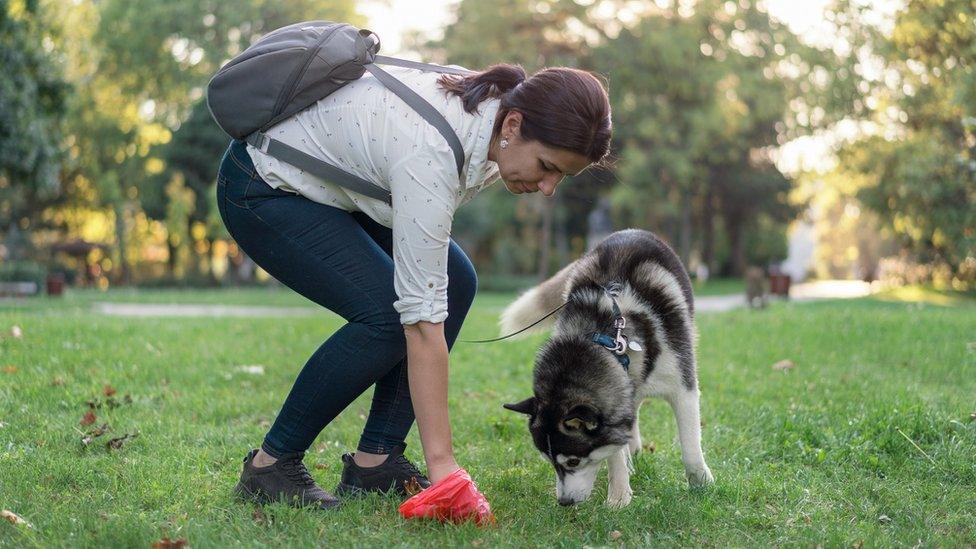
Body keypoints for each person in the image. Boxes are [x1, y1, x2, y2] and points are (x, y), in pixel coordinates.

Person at [218, 61, 612, 510]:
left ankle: (375, 462)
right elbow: (421, 324)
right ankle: (270, 468)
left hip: (336, 189)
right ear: (515, 124)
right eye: (546, 167)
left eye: (560, 176)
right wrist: (444, 466)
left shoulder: (492, 120)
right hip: (264, 186)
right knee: (387, 317)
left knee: (456, 281)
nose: (547, 188)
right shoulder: (432, 152)